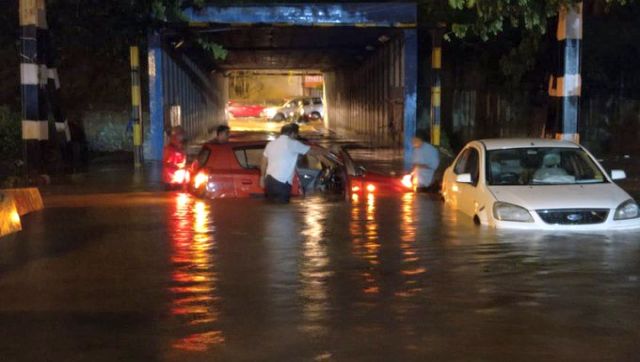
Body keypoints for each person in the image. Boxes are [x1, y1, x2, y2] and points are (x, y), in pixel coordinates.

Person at [260, 123, 324, 203]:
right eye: (296, 134)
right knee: (283, 211)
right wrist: (328, 150)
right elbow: (313, 152)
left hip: (269, 181)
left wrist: (262, 178)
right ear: (293, 133)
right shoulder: (293, 143)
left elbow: (263, 162)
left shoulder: (270, 144)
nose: (296, 137)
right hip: (282, 182)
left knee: (273, 207)